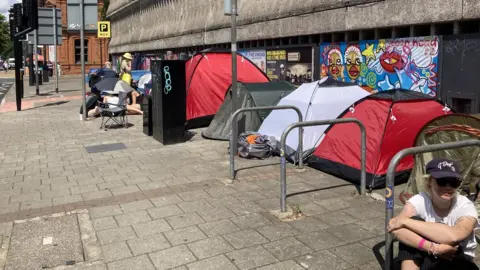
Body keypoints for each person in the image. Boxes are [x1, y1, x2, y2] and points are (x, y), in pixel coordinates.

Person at [388, 158, 479, 270]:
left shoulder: (465, 205)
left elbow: (454, 236)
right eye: (442, 181)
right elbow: (396, 229)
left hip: (458, 260)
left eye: (454, 182)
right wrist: (432, 247)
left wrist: (405, 221)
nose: (448, 187)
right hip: (430, 253)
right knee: (415, 224)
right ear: (429, 181)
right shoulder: (419, 200)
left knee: (442, 243)